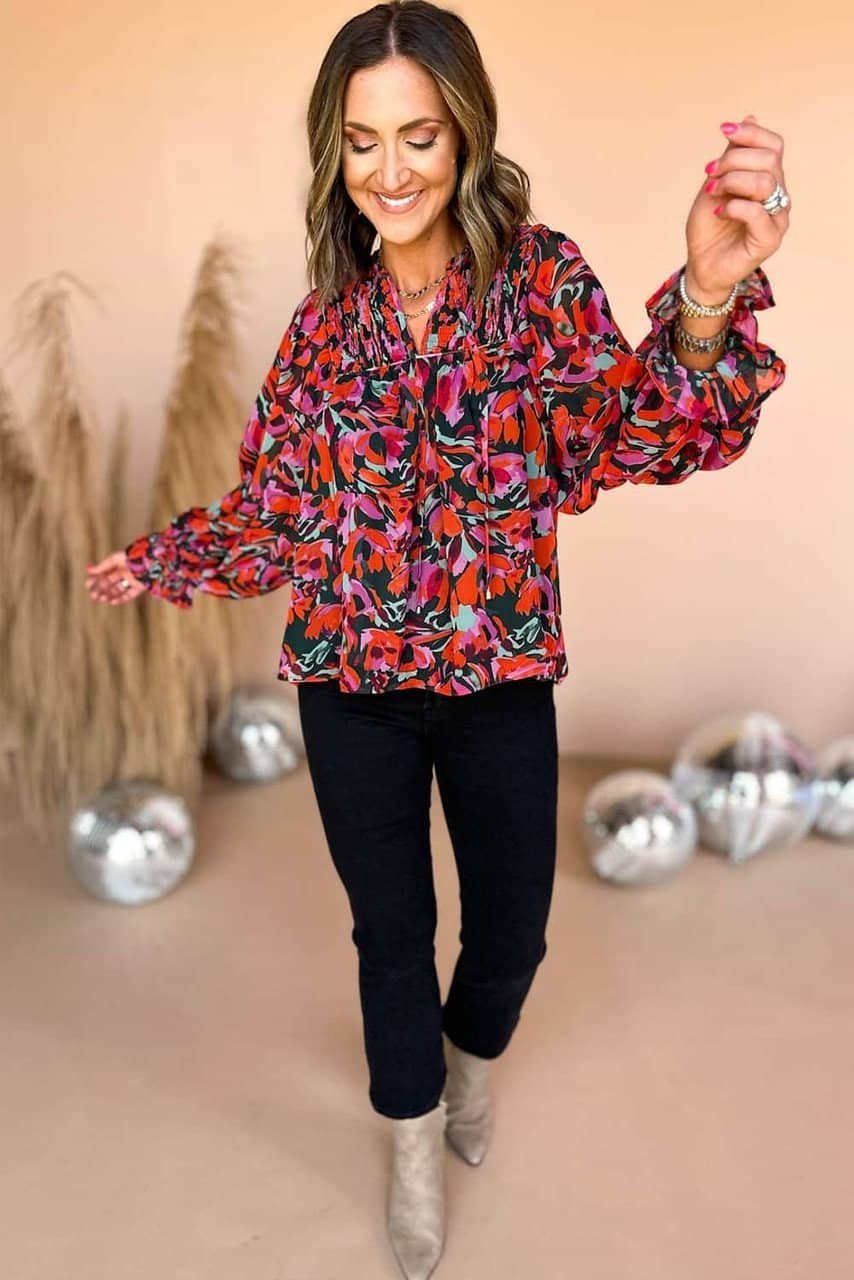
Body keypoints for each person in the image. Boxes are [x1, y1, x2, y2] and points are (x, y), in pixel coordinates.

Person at [85, 3, 791, 1276]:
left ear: (464, 132)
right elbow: (277, 512)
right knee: (389, 935)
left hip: (496, 679)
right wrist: (167, 558)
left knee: (511, 929)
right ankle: (410, 1139)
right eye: (361, 142)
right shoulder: (322, 325)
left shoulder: (538, 280)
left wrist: (704, 292)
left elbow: (627, 438)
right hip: (347, 684)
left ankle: (469, 1061)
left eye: (416, 134)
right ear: (334, 153)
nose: (390, 170)